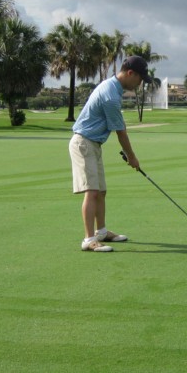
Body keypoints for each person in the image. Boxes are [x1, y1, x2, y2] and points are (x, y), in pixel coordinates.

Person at [68, 55, 151, 252]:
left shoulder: (114, 88)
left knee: (101, 191)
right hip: (84, 143)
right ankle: (89, 240)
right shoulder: (110, 95)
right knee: (92, 191)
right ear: (130, 73)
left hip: (94, 144)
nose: (140, 84)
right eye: (140, 79)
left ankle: (102, 231)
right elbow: (120, 131)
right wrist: (132, 157)